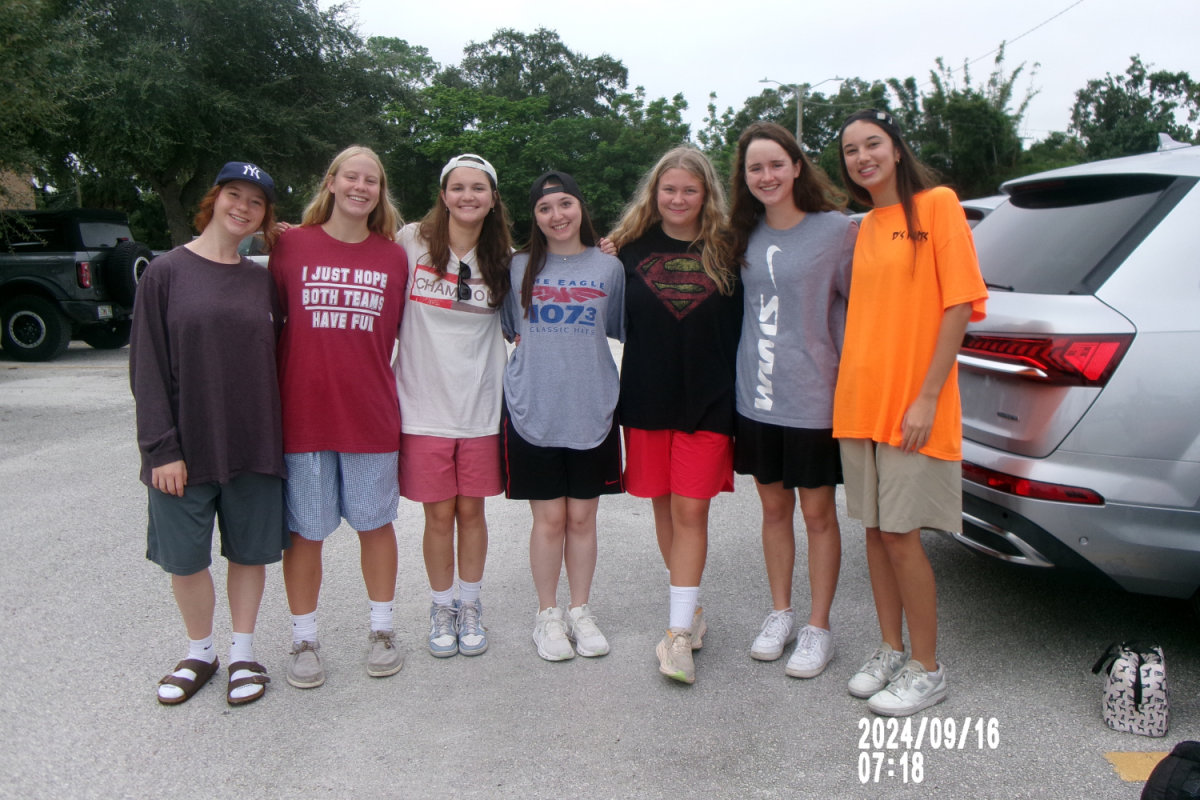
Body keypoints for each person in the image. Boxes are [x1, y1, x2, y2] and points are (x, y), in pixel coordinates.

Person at [835, 109, 988, 716]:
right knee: (874, 533)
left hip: (912, 404)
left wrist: (926, 395)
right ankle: (891, 648)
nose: (862, 156)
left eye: (872, 144)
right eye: (850, 150)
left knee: (902, 535)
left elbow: (959, 305)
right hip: (861, 401)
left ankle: (928, 667)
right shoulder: (867, 224)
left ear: (896, 149)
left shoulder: (938, 205)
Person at [131, 161, 287, 706]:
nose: (242, 207)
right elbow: (147, 367)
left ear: (266, 216)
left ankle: (244, 651)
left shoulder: (262, 280)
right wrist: (160, 449)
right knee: (187, 558)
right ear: (214, 199)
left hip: (254, 442)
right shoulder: (166, 272)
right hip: (184, 449)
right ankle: (201, 651)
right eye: (234, 195)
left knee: (249, 552)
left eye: (256, 202)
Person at [269, 145, 409, 688]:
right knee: (306, 532)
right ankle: (304, 639)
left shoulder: (394, 256)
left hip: (370, 415)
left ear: (380, 191)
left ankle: (382, 630)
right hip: (302, 416)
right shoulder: (289, 246)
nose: (360, 186)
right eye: (351, 176)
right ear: (330, 182)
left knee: (376, 525)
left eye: (371, 180)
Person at [603, 146, 742, 685]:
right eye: (669, 189)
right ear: (654, 193)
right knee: (664, 509)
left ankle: (677, 634)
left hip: (710, 400)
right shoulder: (627, 251)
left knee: (691, 511)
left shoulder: (730, 250)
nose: (678, 198)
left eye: (689, 189)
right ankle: (692, 610)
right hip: (647, 399)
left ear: (706, 194)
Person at [727, 122, 857, 680]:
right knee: (774, 511)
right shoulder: (740, 232)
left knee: (818, 514)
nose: (766, 176)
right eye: (755, 168)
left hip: (815, 399)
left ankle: (818, 626)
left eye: (776, 164)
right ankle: (780, 613)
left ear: (797, 165)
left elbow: (861, 309)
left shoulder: (836, 230)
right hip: (756, 400)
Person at [500, 171, 625, 662]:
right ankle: (547, 615)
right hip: (534, 406)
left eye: (565, 204)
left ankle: (580, 610)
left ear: (581, 207)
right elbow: (513, 330)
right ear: (535, 217)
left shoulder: (608, 268)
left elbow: (616, 329)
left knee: (582, 516)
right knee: (549, 519)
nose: (557, 215)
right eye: (545, 208)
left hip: (591, 405)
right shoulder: (517, 267)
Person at [393, 154, 512, 657]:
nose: (468, 196)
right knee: (438, 516)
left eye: (478, 189)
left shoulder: (504, 255)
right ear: (443, 194)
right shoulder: (410, 242)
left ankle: (471, 605)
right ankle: (442, 607)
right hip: (422, 405)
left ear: (491, 198)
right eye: (458, 187)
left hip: (481, 406)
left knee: (472, 513)